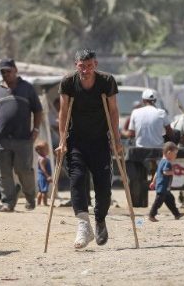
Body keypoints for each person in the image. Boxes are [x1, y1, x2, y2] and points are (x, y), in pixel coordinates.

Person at [57, 49, 120, 249]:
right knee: (76, 179)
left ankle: (100, 219)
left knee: (103, 187)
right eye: (82, 66)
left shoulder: (107, 81)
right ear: (76, 65)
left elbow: (113, 110)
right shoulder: (68, 83)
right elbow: (64, 111)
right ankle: (84, 225)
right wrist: (62, 140)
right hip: (76, 140)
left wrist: (116, 139)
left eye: (90, 66)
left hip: (100, 140)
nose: (86, 70)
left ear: (96, 64)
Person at [0, 58, 43, 212]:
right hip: (1, 139)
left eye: (8, 71)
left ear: (15, 70)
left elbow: (38, 110)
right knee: (3, 173)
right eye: (3, 72)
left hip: (23, 139)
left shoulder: (27, 88)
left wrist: (35, 129)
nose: (5, 74)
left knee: (24, 170)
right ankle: (8, 202)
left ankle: (30, 197)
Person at [148, 142, 184, 222]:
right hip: (163, 186)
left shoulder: (161, 161)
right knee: (158, 202)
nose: (176, 156)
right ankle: (151, 215)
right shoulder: (167, 162)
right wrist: (173, 172)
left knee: (170, 200)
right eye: (175, 154)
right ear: (169, 153)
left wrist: (153, 182)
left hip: (164, 187)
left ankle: (177, 214)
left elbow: (157, 173)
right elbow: (165, 172)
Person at [35, 142, 52, 206]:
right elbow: (43, 169)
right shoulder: (43, 159)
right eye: (46, 149)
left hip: (40, 177)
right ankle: (45, 203)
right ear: (40, 151)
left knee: (40, 191)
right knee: (44, 191)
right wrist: (48, 176)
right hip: (43, 177)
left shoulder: (41, 158)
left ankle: (38, 203)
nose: (48, 150)